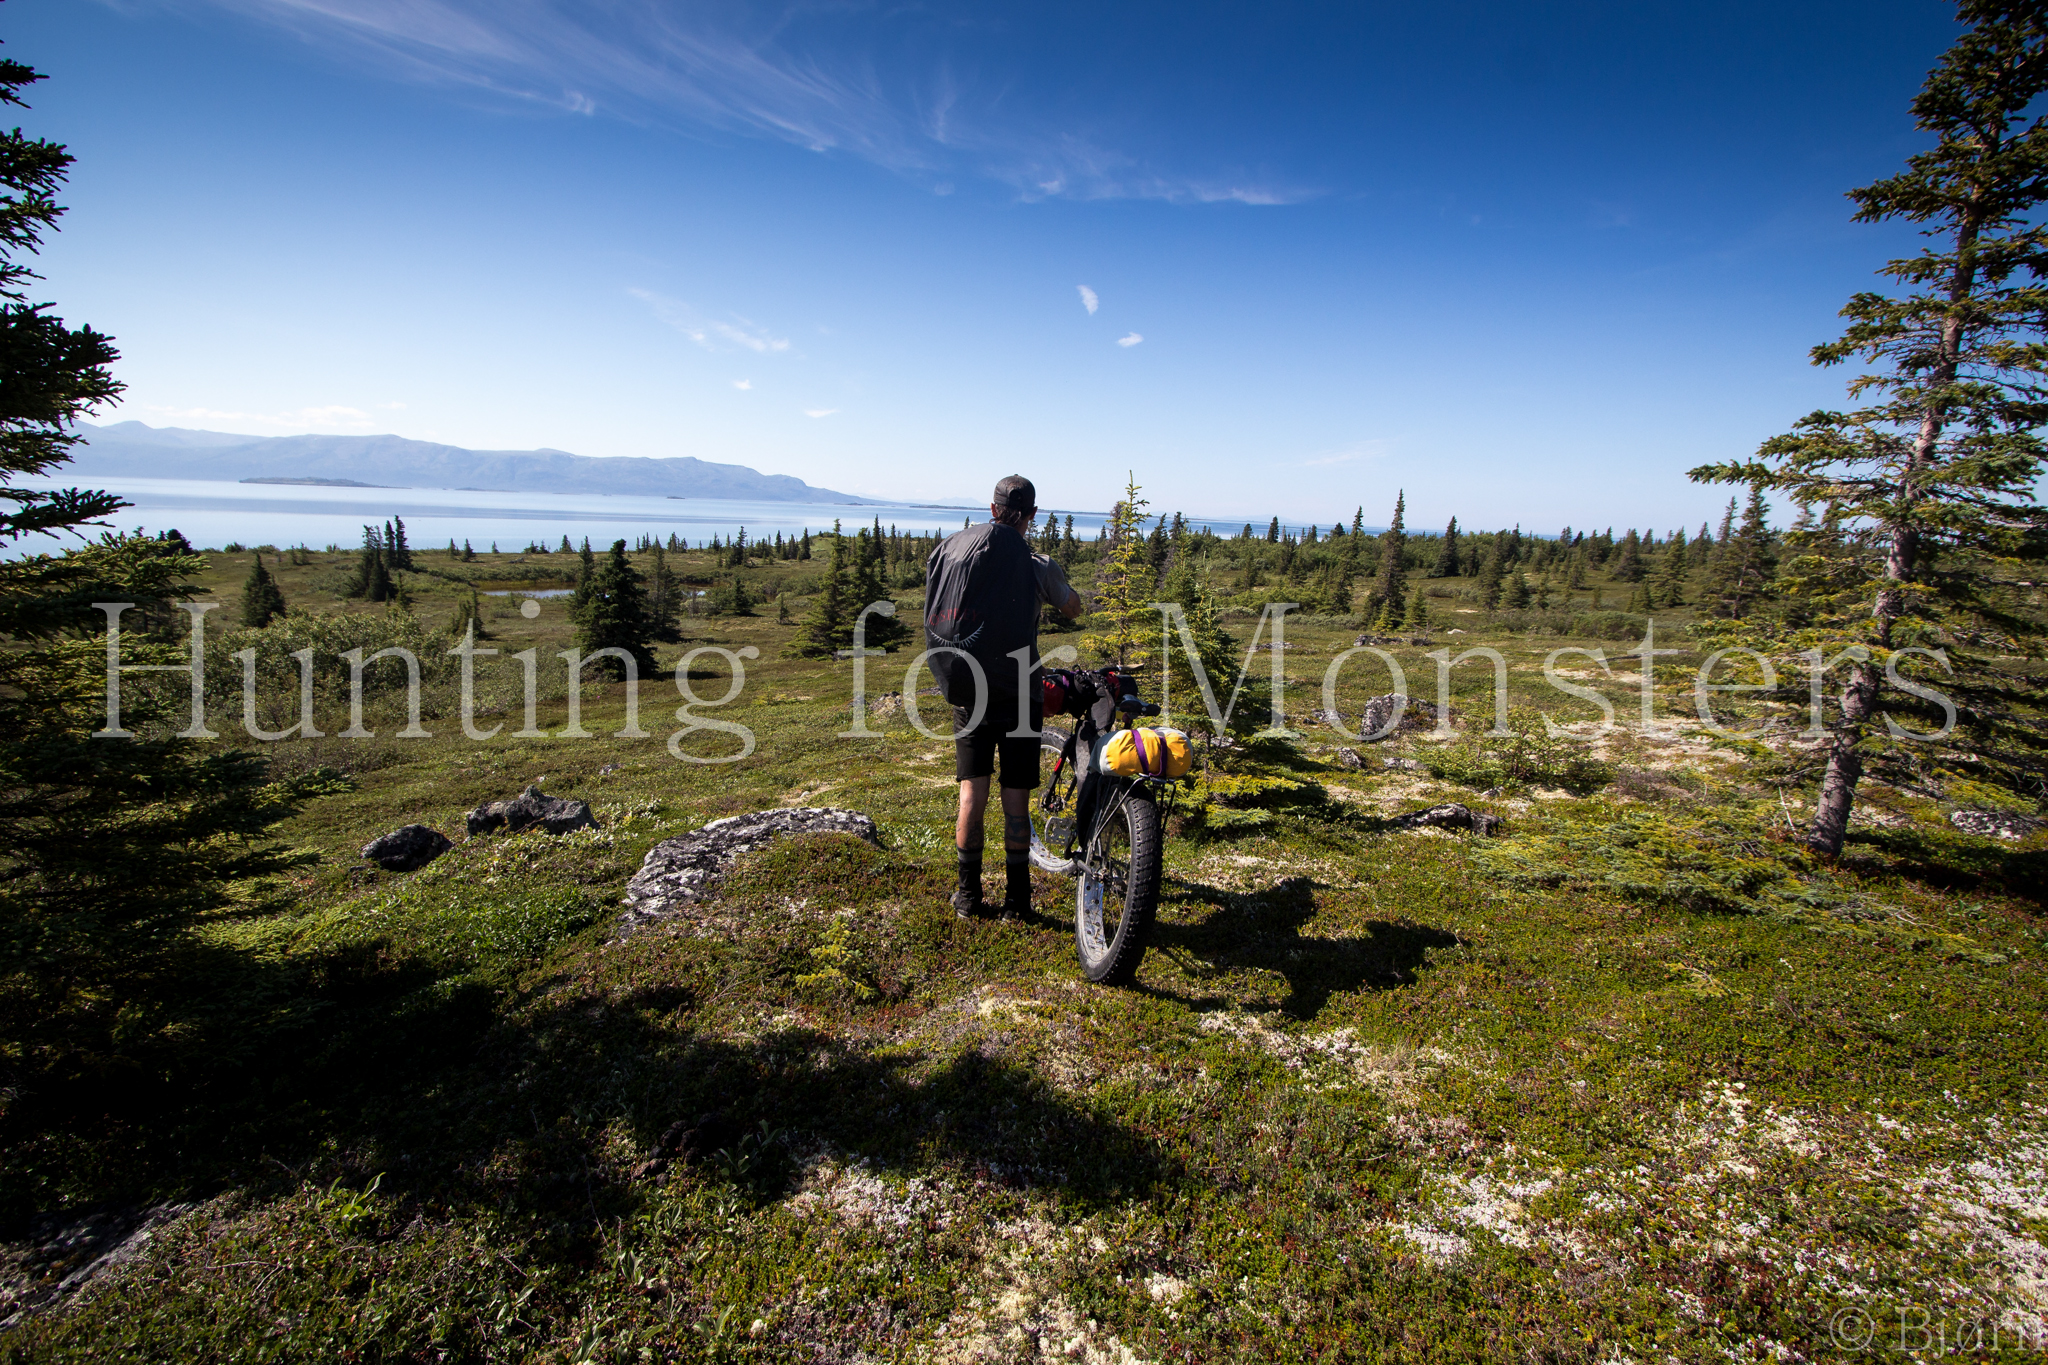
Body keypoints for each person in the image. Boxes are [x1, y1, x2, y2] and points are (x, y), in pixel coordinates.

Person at [923, 475, 1084, 919]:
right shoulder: (1037, 564)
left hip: (969, 695)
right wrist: (1066, 596)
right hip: (1021, 697)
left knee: (971, 797)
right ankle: (1017, 902)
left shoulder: (956, 551)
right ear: (1032, 516)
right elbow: (1072, 607)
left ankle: (969, 896)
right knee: (1015, 802)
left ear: (993, 510)